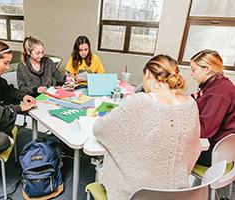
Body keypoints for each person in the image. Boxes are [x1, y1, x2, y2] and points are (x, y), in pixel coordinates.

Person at [93, 55, 201, 200]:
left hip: (138, 193)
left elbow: (100, 129)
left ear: (148, 74)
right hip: (179, 192)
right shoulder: (191, 103)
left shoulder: (140, 101)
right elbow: (192, 147)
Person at [190, 49, 235, 167]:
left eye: (194, 70)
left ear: (207, 69)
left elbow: (204, 131)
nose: (191, 74)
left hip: (216, 153)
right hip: (224, 150)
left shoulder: (219, 93)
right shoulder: (218, 85)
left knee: (169, 150)